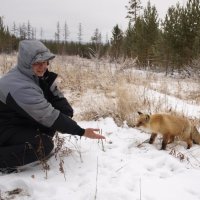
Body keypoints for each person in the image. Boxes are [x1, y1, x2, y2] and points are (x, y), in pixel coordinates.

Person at [0, 39, 105, 173]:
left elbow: (57, 98)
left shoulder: (32, 75)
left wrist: (64, 112)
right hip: (4, 127)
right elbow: (49, 116)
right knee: (43, 145)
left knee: (52, 125)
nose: (43, 67)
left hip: (15, 121)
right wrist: (82, 131)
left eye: (45, 62)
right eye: (37, 63)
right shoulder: (19, 86)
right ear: (26, 63)